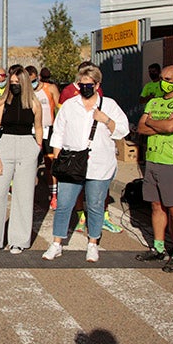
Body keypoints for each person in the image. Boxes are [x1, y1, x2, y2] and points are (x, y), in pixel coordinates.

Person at [43, 65, 129, 263]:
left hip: (100, 164)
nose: (85, 88)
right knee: (64, 204)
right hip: (72, 163)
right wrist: (57, 158)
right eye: (81, 84)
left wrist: (106, 119)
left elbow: (122, 130)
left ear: (97, 85)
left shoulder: (109, 105)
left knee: (96, 205)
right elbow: (59, 131)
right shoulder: (70, 105)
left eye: (89, 85)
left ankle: (92, 244)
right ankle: (57, 243)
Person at [135, 64, 173, 272]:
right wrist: (158, 123)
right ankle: (158, 248)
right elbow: (141, 128)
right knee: (156, 206)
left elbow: (172, 127)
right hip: (152, 160)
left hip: (172, 162)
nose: (164, 83)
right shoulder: (153, 101)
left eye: (169, 79)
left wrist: (153, 122)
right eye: (162, 78)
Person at [0, 66, 43, 253]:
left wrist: (36, 150)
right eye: (11, 82)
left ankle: (19, 241)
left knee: (23, 196)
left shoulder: (34, 103)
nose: (14, 86)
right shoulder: (2, 103)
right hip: (5, 146)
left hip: (27, 147)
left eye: (17, 83)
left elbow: (38, 128)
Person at [28, 65, 61, 209]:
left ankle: (54, 196)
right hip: (32, 131)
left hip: (49, 130)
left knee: (50, 164)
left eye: (33, 81)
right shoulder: (26, 90)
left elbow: (59, 108)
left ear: (37, 76)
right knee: (30, 164)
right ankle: (30, 196)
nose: (32, 85)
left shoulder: (50, 88)